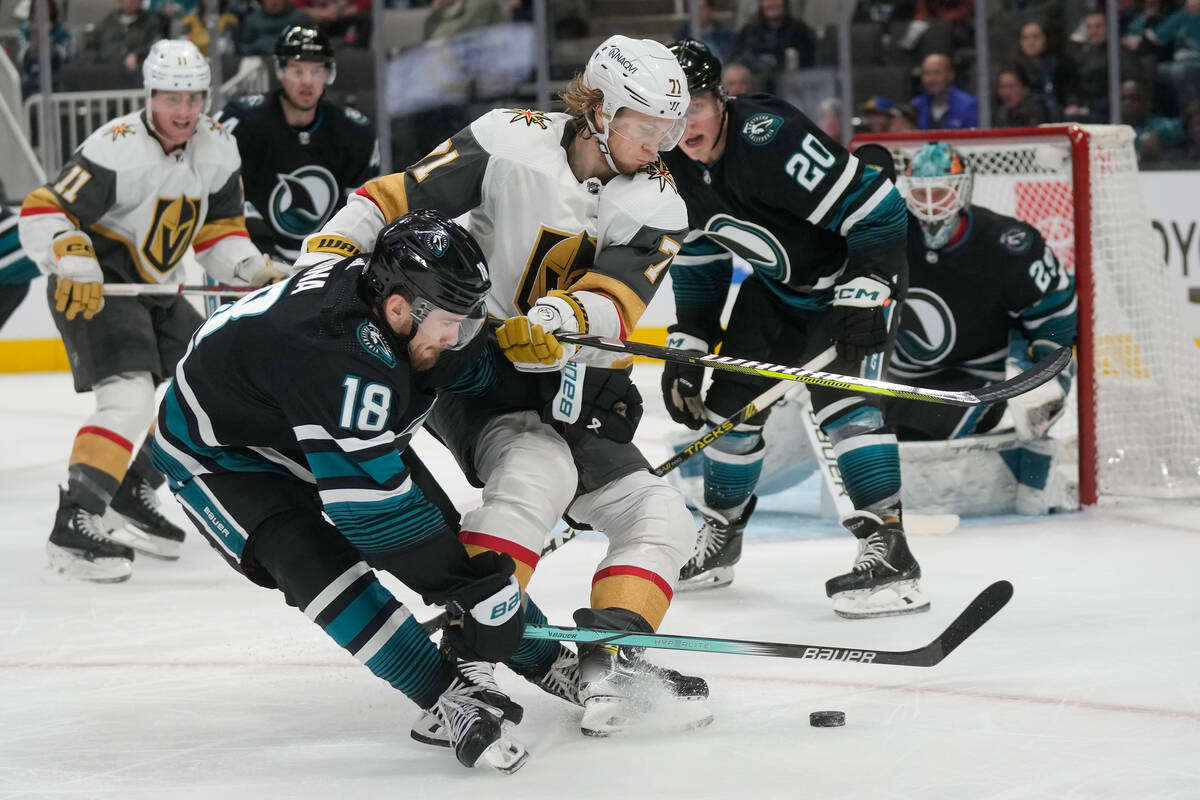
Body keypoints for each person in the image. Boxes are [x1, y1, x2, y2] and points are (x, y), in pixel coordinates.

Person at [292, 35, 712, 737]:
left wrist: (558, 317)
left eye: (671, 128)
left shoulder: (660, 200)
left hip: (574, 385)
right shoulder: (507, 140)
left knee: (662, 518)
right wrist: (333, 247)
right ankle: (469, 658)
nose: (661, 144)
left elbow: (618, 296)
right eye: (648, 126)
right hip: (476, 364)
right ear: (601, 112)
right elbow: (394, 196)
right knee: (534, 471)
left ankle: (610, 657)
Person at [151, 209, 529, 773]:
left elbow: (469, 371)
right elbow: (376, 523)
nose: (457, 336)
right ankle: (442, 695)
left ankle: (548, 660)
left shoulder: (399, 307)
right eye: (451, 321)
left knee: (449, 544)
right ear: (399, 309)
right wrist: (470, 589)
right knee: (311, 561)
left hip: (296, 418)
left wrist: (546, 391)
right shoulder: (340, 356)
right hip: (220, 456)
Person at [661, 39, 926, 619]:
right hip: (777, 292)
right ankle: (721, 540)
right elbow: (700, 256)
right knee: (727, 413)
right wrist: (692, 337)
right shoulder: (667, 166)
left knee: (847, 408)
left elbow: (880, 210)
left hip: (853, 279)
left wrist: (868, 287)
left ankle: (891, 552)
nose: (684, 125)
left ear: (721, 99)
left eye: (695, 106)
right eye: (670, 111)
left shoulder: (769, 138)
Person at [18, 39, 285, 583]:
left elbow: (218, 232)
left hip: (158, 290)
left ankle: (130, 486)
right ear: (150, 95)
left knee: (213, 384)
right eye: (171, 98)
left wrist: (252, 268)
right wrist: (70, 254)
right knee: (129, 398)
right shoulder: (116, 148)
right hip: (99, 288)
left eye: (193, 98)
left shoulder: (217, 147)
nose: (184, 112)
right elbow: (45, 209)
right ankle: (75, 522)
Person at [890, 141, 1076, 507]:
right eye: (921, 193)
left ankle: (1036, 468)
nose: (930, 205)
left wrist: (1038, 375)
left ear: (963, 190)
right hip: (899, 376)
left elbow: (1056, 317)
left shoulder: (1009, 244)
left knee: (1040, 400)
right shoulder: (888, 234)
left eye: (940, 192)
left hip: (978, 380)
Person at [215, 26, 379, 264]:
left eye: (316, 71)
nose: (307, 82)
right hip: (251, 261)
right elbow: (216, 187)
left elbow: (363, 208)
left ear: (328, 74)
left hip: (326, 264)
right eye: (297, 70)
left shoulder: (354, 131)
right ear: (280, 70)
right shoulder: (243, 121)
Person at [81, 0, 166, 77]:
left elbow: (157, 46)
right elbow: (91, 43)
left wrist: (138, 55)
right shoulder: (109, 20)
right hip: (104, 70)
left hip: (134, 74)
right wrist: (91, 61)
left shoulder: (151, 23)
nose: (128, 2)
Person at [911, 52, 979, 130]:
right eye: (926, 73)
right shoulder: (916, 105)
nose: (931, 79)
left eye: (937, 73)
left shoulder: (968, 106)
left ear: (950, 75)